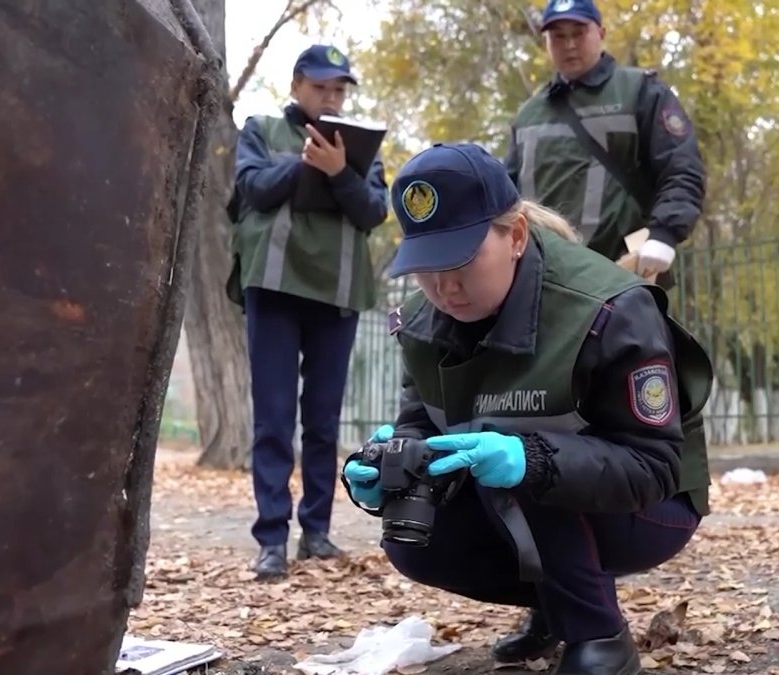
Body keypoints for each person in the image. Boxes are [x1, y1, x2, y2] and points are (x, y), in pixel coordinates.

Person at [339, 143, 714, 675]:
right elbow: (423, 422)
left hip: (652, 508)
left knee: (523, 467)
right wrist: (391, 467)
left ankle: (599, 637)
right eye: (426, 267)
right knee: (416, 540)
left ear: (514, 236)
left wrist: (528, 458)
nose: (444, 287)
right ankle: (554, 604)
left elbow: (655, 465)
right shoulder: (423, 321)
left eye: (461, 260)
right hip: (538, 497)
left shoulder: (610, 310)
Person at [229, 44, 388, 580]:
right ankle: (270, 538)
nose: (332, 96)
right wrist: (304, 166)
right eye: (322, 86)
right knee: (273, 418)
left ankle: (315, 531)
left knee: (322, 421)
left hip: (337, 293)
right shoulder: (261, 129)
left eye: (340, 88)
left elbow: (373, 212)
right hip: (273, 288)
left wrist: (341, 171)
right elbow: (250, 188)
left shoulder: (363, 144)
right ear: (297, 84)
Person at [504, 0, 707, 284]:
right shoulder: (528, 114)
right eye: (558, 36)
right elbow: (506, 199)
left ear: (601, 33)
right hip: (544, 279)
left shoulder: (640, 91)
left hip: (623, 273)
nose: (570, 44)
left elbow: (681, 167)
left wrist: (664, 234)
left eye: (578, 32)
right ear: (546, 41)